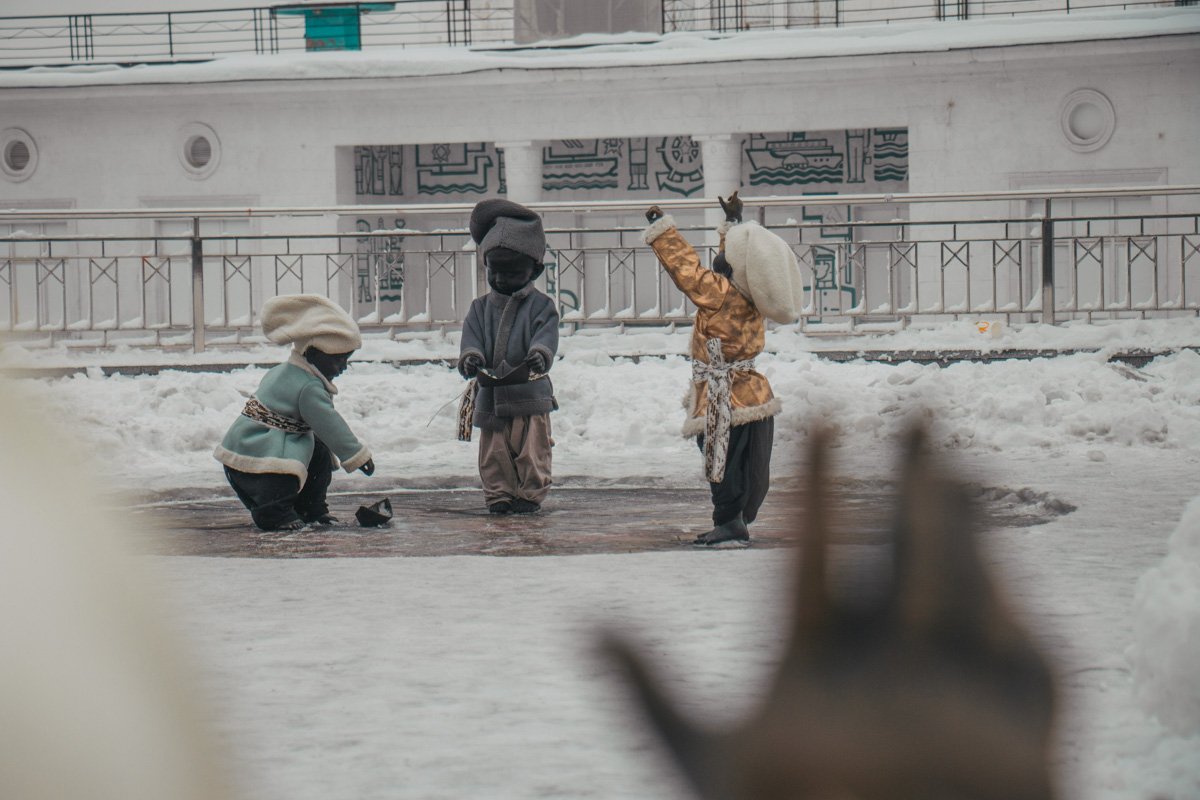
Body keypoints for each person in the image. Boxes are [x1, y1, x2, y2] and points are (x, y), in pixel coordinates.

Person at [643, 192, 803, 545]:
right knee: (746, 462)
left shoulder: (720, 293)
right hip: (751, 392)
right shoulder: (749, 293)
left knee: (721, 460)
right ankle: (737, 519)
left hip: (723, 396)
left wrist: (661, 228)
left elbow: (685, 269)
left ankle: (729, 521)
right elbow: (734, 262)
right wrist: (732, 223)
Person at [214, 294, 374, 531]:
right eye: (338, 359)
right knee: (292, 458)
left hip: (244, 447)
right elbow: (330, 425)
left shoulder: (289, 370)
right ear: (313, 354)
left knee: (318, 451)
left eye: (346, 360)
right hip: (261, 454)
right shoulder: (308, 387)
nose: (343, 367)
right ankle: (274, 513)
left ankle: (311, 508)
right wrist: (358, 456)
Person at [457, 199, 559, 515]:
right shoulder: (479, 308)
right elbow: (470, 339)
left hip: (530, 396)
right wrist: (471, 357)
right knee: (493, 451)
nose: (501, 279)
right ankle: (498, 493)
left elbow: (546, 337)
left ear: (535, 270)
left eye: (511, 273)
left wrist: (540, 355)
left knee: (533, 449)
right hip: (492, 396)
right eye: (494, 271)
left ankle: (529, 494)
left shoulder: (542, 306)